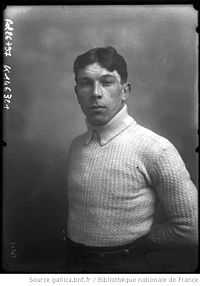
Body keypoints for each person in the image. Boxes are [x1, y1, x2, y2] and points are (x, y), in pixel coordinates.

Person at [65, 46, 198, 273]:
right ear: (77, 92)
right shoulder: (76, 145)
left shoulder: (156, 148)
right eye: (86, 83)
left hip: (125, 266)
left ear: (125, 90)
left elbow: (192, 228)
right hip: (72, 263)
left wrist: (138, 244)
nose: (96, 92)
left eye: (107, 82)